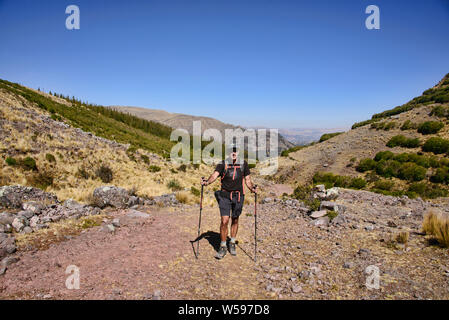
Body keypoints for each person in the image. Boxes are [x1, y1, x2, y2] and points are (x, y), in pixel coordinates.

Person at [201, 146, 258, 259]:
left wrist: (252, 188)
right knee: (224, 220)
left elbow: (247, 180)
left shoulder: (243, 164)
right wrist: (207, 182)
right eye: (231, 151)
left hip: (238, 196)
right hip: (225, 196)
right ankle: (222, 246)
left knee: (235, 219)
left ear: (238, 152)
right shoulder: (222, 164)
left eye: (235, 151)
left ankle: (232, 242)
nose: (233, 153)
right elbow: (215, 175)